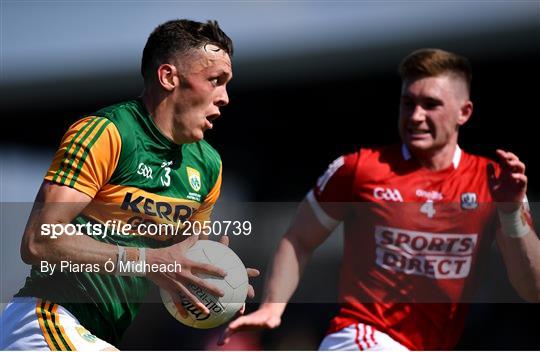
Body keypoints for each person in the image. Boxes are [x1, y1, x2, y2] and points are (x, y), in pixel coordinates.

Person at [218, 48, 540, 350]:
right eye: (407, 103)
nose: (415, 116)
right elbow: (298, 239)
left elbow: (532, 288)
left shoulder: (494, 182)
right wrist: (273, 308)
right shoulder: (360, 170)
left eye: (430, 104)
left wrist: (511, 213)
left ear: (463, 112)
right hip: (360, 338)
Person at [1, 19, 258, 350]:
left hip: (99, 336)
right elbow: (38, 241)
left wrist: (211, 282)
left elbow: (175, 269)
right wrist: (149, 261)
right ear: (168, 77)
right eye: (215, 81)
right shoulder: (107, 133)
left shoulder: (208, 167)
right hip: (46, 320)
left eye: (227, 84)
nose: (225, 97)